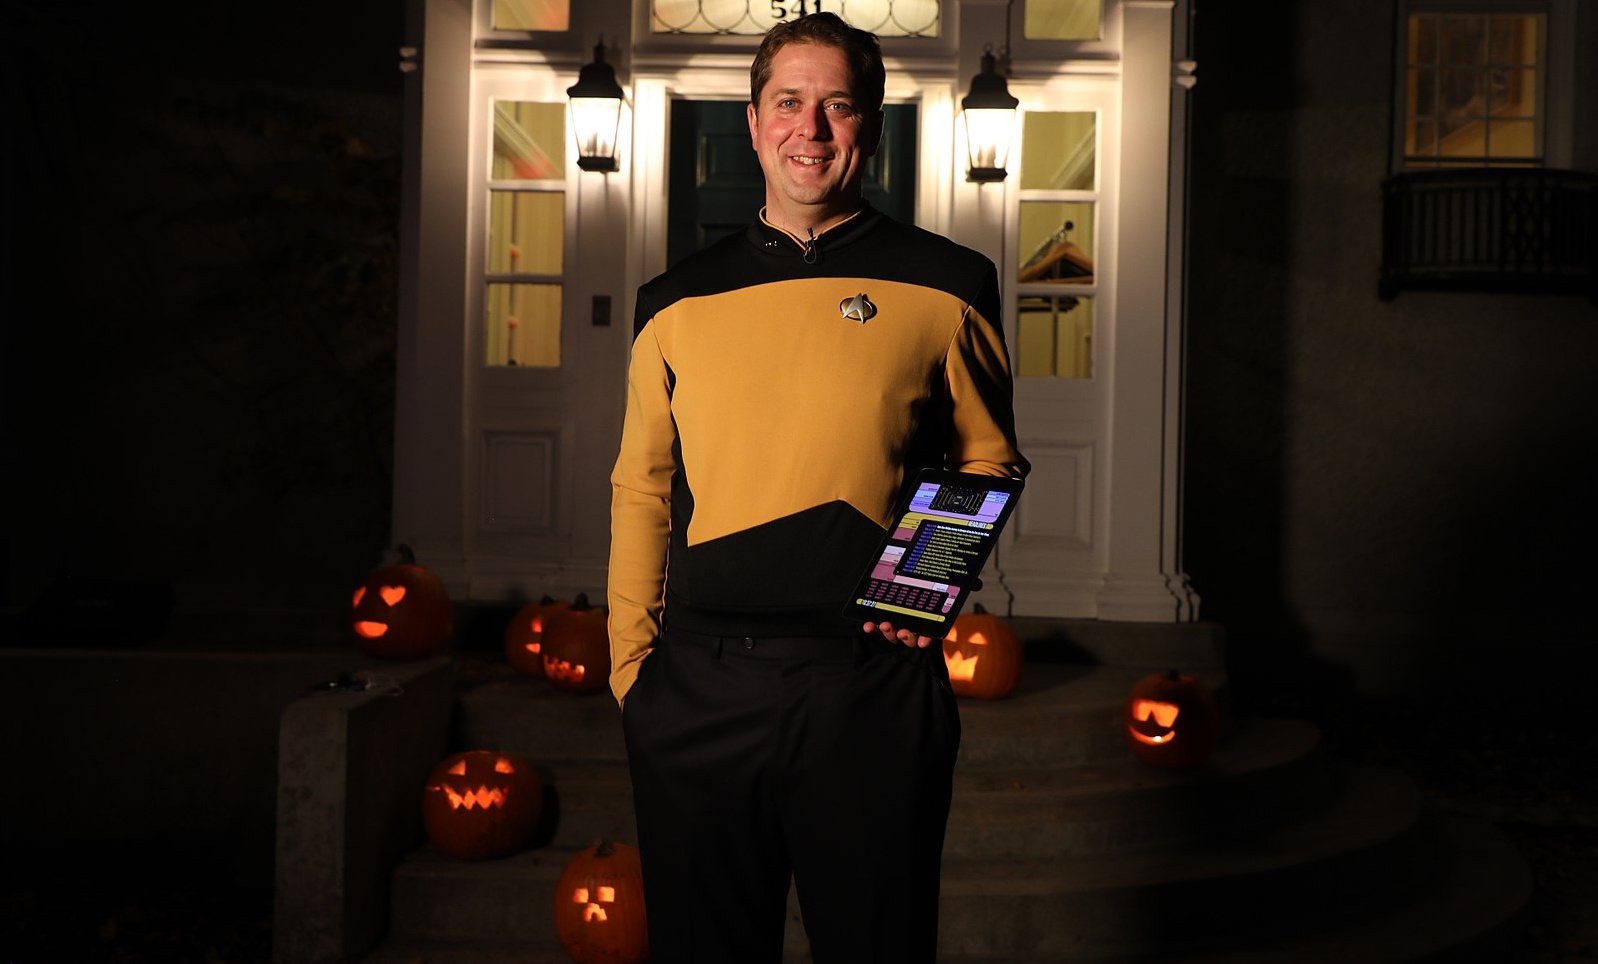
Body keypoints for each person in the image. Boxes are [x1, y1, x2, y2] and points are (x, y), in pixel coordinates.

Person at [607, 12, 1028, 963]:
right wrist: (633, 672)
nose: (813, 129)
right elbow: (641, 486)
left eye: (838, 107)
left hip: (871, 692)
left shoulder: (950, 282)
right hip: (700, 689)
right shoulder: (672, 302)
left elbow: (989, 457)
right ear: (752, 125)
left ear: (870, 129)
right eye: (789, 105)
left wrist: (918, 591)